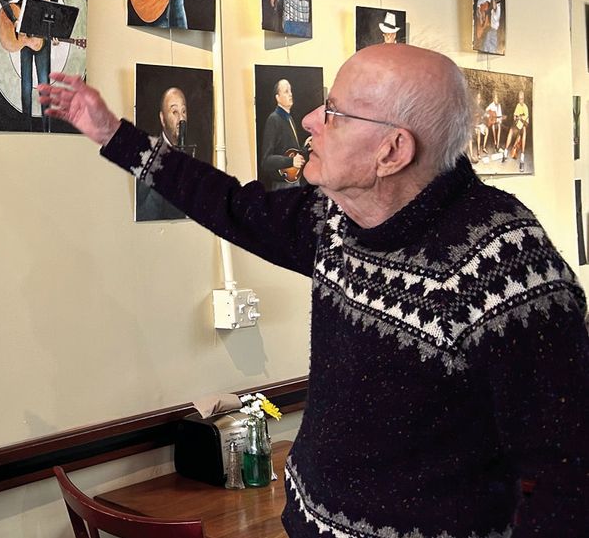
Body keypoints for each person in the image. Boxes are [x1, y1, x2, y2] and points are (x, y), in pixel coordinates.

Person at [39, 44, 589, 536]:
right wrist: (113, 133)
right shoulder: (333, 221)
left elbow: (567, 478)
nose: (308, 120)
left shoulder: (511, 271)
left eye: (333, 113)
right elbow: (228, 204)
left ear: (392, 151)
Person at [0, 0, 63, 132]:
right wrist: (14, 19)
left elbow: (53, 20)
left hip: (43, 45)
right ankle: (25, 128)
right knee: (26, 84)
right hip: (25, 41)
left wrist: (55, 34)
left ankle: (46, 130)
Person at [137, 87, 189, 221]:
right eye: (174, 112)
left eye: (184, 111)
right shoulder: (148, 157)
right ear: (162, 118)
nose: (181, 119)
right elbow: (144, 214)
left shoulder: (194, 154)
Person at [259, 79, 310, 190]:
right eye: (286, 91)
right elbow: (266, 161)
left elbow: (291, 152)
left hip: (293, 183)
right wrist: (291, 161)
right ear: (277, 98)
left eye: (290, 91)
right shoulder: (274, 119)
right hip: (281, 186)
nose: (290, 94)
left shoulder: (289, 119)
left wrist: (305, 147)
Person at [504, 89, 530, 168]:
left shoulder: (525, 107)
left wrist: (520, 118)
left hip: (524, 127)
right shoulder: (518, 105)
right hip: (518, 126)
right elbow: (514, 117)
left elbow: (526, 123)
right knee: (511, 130)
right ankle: (505, 152)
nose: (520, 100)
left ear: (524, 99)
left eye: (521, 99)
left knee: (524, 131)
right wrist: (516, 118)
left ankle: (522, 157)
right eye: (519, 99)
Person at [485, 93, 504, 157]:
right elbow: (486, 111)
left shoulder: (499, 105)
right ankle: (495, 142)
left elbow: (500, 115)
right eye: (496, 98)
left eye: (497, 98)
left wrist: (499, 120)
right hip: (493, 122)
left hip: (497, 120)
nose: (497, 99)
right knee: (493, 125)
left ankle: (497, 145)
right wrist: (489, 116)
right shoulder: (491, 105)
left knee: (499, 126)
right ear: (493, 99)